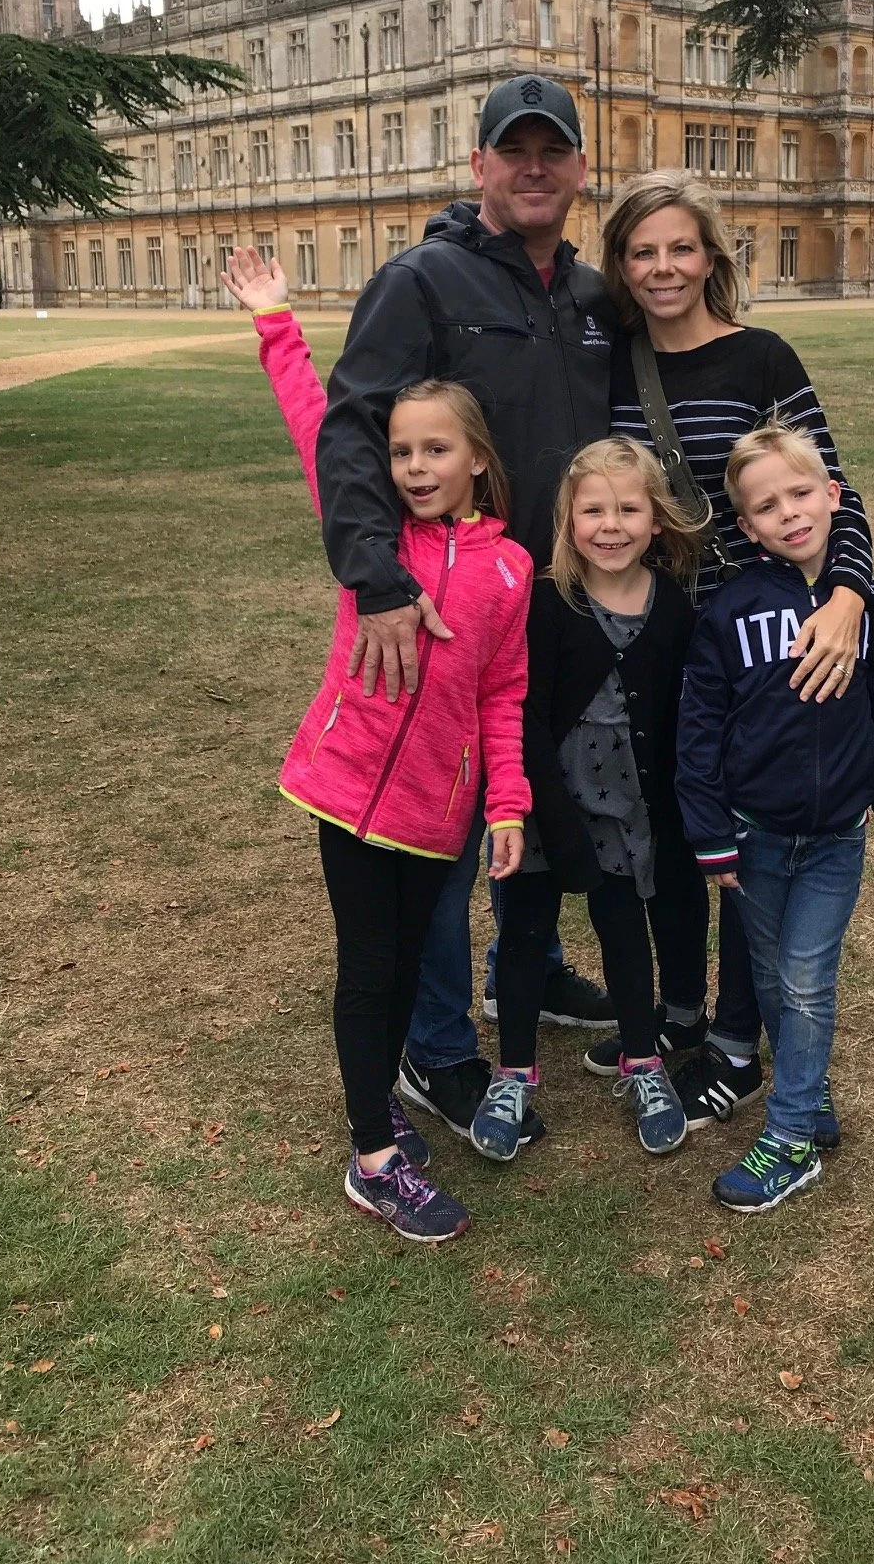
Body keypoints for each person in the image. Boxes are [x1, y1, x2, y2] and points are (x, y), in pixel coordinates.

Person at [314, 75, 618, 1144]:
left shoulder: (593, 298)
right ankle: (436, 1044)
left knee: (532, 799)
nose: (534, 168)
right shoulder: (423, 281)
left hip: (562, 602)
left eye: (553, 151)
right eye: (513, 151)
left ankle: (525, 967)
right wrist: (379, 584)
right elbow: (353, 429)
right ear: (479, 163)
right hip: (447, 612)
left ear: (580, 168)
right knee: (440, 828)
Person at [221, 244, 532, 1245]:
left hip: (437, 811)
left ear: (476, 458)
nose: (415, 468)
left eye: (435, 451)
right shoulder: (376, 539)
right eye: (401, 453)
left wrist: (506, 801)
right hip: (347, 787)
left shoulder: (511, 572)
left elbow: (503, 694)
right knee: (368, 968)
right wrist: (276, 321)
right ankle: (373, 1158)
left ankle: (380, 1102)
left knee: (402, 969)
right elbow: (316, 424)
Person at [598, 172, 874, 1143]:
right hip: (656, 634)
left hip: (761, 642)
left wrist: (847, 598)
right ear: (620, 266)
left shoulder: (762, 357)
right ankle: (684, 1014)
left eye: (681, 247)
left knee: (750, 834)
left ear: (711, 255)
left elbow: (833, 492)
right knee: (678, 822)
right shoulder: (611, 365)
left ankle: (735, 1040)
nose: (663, 267)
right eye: (643, 251)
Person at [677, 425, 874, 1211]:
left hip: (835, 840)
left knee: (808, 980)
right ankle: (806, 1094)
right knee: (775, 977)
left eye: (801, 493)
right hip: (754, 837)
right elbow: (699, 730)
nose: (788, 513)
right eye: (766, 506)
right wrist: (710, 832)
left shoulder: (862, 610)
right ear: (747, 528)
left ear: (833, 497)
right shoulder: (730, 611)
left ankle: (789, 1139)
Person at [471, 438, 706, 1163]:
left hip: (628, 810)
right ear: (568, 521)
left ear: (656, 521)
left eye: (629, 509)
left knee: (625, 934)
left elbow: (678, 715)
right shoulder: (545, 602)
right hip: (545, 806)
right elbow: (525, 714)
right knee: (524, 938)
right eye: (593, 510)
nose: (611, 526)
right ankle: (512, 1076)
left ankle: (643, 1061)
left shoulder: (672, 606)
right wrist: (541, 810)